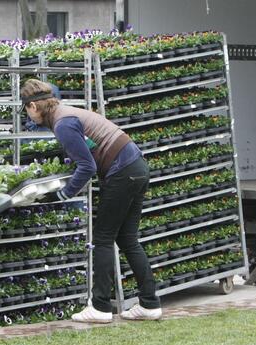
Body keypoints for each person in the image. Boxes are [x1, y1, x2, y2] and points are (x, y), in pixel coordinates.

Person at [20, 78, 162, 323]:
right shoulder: (66, 113)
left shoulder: (63, 123)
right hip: (137, 167)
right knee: (128, 239)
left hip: (122, 172)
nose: (28, 116)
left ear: (33, 106)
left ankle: (100, 307)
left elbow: (87, 166)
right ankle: (149, 303)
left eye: (25, 109)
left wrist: (62, 194)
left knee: (103, 239)